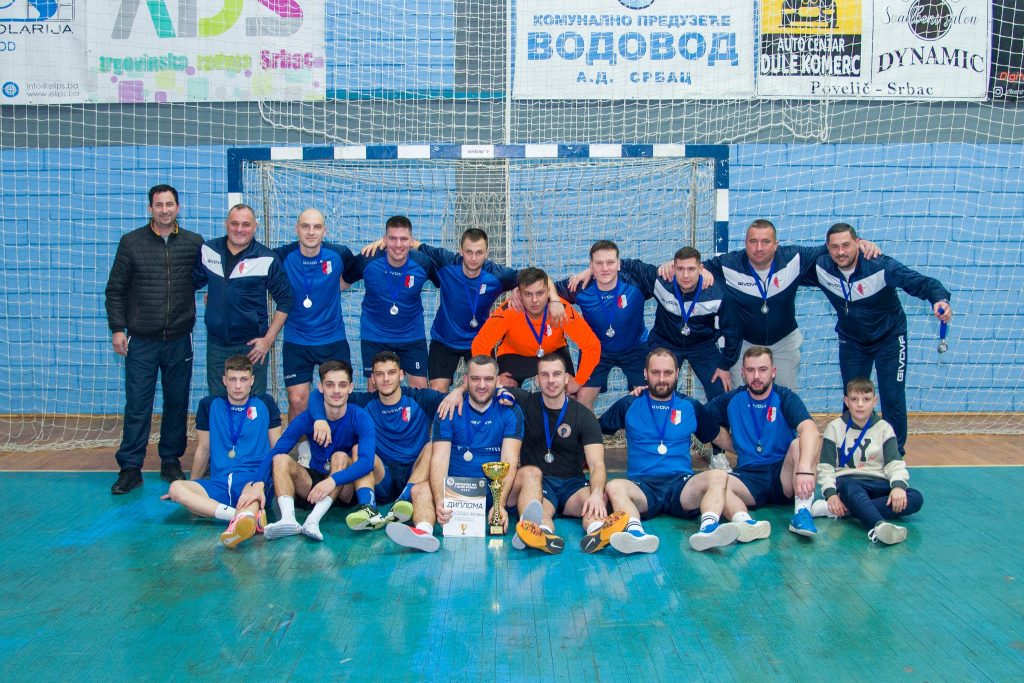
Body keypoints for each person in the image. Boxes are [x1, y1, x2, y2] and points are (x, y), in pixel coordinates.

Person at [595, 348, 770, 554]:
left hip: (681, 486)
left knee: (718, 476)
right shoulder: (628, 404)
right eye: (656, 372)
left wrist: (752, 455)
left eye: (668, 373)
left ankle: (709, 529)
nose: (662, 379)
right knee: (614, 486)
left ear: (677, 373)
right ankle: (635, 534)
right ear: (645, 373)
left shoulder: (690, 406)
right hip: (642, 487)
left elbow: (718, 436)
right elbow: (594, 431)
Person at [803, 222, 953, 455]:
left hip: (890, 339)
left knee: (892, 396)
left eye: (846, 245)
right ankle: (852, 452)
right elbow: (788, 263)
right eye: (835, 247)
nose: (841, 252)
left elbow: (921, 283)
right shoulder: (821, 267)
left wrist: (939, 300)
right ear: (827, 248)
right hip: (852, 342)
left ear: (858, 243)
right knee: (853, 397)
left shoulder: (880, 265)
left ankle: (894, 455)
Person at [697, 219, 878, 391]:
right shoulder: (728, 264)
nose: (759, 248)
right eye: (753, 241)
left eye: (765, 241)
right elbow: (694, 267)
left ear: (776, 245)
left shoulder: (794, 258)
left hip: (783, 344)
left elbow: (831, 247)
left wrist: (862, 243)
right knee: (743, 401)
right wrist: (694, 269)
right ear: (745, 243)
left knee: (784, 401)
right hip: (743, 345)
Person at [105, 184, 204, 494]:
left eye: (169, 204)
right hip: (142, 340)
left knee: (176, 402)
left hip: (179, 339)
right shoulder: (131, 242)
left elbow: (207, 277)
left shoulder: (194, 243)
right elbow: (115, 290)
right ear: (150, 208)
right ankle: (130, 468)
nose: (164, 210)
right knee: (138, 404)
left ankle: (170, 461)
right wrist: (118, 328)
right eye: (159, 205)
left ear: (178, 207)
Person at [386, 355, 523, 552]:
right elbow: (439, 459)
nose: (482, 385)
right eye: (475, 379)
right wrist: (440, 499)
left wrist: (499, 504)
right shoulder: (448, 408)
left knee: (531, 474)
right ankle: (424, 533)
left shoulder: (510, 410)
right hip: (456, 491)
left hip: (493, 491)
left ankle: (530, 528)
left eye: (488, 379)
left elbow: (509, 460)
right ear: (466, 380)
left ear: (497, 381)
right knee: (420, 490)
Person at [360, 228, 521, 391]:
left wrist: (518, 288)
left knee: (485, 387)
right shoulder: (446, 261)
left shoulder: (498, 275)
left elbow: (530, 279)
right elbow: (415, 245)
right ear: (460, 251)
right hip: (444, 340)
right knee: (436, 392)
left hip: (479, 340)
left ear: (487, 253)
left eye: (479, 253)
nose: (473, 258)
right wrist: (384, 243)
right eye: (468, 252)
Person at [305, 351, 443, 531]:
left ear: (401, 375)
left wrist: (459, 391)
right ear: (373, 379)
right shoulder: (364, 402)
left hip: (415, 473)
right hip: (382, 476)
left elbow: (461, 399)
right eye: (379, 374)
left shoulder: (421, 399)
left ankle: (404, 500)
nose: (386, 379)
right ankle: (369, 509)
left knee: (433, 446)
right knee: (358, 449)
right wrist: (319, 419)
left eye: (391, 373)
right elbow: (317, 395)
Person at [165, 355, 282, 548]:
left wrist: (263, 482)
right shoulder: (209, 405)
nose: (238, 386)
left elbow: (277, 451)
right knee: (176, 488)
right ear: (224, 380)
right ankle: (241, 518)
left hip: (253, 479)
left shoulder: (265, 404)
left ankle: (244, 515)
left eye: (243, 379)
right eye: (233, 379)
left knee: (250, 495)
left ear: (252, 380)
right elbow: (204, 449)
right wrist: (192, 486)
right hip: (220, 481)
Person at [704, 346, 822, 538]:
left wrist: (804, 470)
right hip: (749, 475)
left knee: (800, 444)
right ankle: (744, 522)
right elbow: (701, 418)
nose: (756, 376)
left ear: (773, 372)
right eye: (751, 370)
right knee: (717, 483)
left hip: (784, 475)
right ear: (743, 373)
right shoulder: (733, 400)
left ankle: (802, 513)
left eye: (763, 370)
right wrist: (733, 445)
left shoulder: (785, 397)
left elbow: (811, 430)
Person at [254, 360, 377, 542]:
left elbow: (366, 463)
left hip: (344, 486)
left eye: (342, 385)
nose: (336, 390)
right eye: (330, 385)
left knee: (340, 456)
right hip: (314, 485)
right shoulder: (308, 418)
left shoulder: (360, 417)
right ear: (321, 387)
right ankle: (288, 520)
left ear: (350, 388)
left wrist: (333, 481)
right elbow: (277, 450)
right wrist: (258, 482)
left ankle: (313, 521)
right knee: (280, 458)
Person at [500, 353, 610, 555]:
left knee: (596, 502)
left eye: (557, 374)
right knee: (539, 511)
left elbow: (597, 465)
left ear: (567, 378)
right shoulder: (524, 403)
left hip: (573, 485)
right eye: (545, 375)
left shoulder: (584, 415)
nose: (551, 380)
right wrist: (458, 393)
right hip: (540, 484)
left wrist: (596, 493)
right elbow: (484, 386)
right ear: (537, 379)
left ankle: (597, 532)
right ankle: (542, 534)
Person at [193, 203, 293, 396]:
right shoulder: (209, 250)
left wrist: (268, 340)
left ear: (255, 227)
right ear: (226, 224)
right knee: (218, 402)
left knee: (253, 404)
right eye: (234, 223)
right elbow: (193, 282)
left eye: (246, 224)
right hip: (217, 345)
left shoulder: (267, 258)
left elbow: (286, 300)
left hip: (252, 347)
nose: (239, 229)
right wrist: (217, 296)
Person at [814, 377, 924, 545]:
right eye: (854, 399)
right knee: (849, 486)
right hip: (849, 484)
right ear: (846, 401)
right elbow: (826, 468)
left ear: (875, 401)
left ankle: (846, 510)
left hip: (878, 483)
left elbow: (894, 463)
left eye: (866, 399)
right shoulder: (834, 427)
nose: (860, 404)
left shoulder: (884, 428)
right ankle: (878, 525)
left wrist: (898, 487)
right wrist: (831, 494)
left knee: (915, 497)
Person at [274, 208, 355, 421]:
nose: (311, 232)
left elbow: (357, 271)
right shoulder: (282, 256)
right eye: (305, 226)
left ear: (324, 231)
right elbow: (252, 265)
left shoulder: (339, 254)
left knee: (338, 398)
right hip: (297, 340)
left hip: (332, 339)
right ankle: (300, 442)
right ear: (296, 229)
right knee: (297, 400)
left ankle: (337, 440)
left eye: (317, 227)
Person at [555, 240, 655, 409]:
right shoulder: (581, 286)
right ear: (591, 266)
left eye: (610, 262)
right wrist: (550, 299)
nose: (605, 268)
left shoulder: (636, 283)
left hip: (636, 349)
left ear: (619, 264)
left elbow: (668, 276)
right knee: (582, 400)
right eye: (599, 263)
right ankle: (587, 428)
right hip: (597, 351)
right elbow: (544, 287)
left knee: (648, 397)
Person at [472, 267, 601, 394]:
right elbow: (480, 345)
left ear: (548, 292)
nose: (534, 300)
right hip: (514, 355)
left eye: (540, 293)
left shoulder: (560, 310)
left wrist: (579, 381)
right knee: (503, 395)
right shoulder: (509, 310)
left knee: (568, 398)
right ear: (519, 294)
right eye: (528, 294)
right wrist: (493, 378)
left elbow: (591, 345)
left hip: (554, 353)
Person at [343, 215, 438, 388]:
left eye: (404, 239)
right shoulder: (367, 259)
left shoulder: (423, 263)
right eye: (392, 238)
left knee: (420, 388)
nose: (398, 244)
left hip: (411, 334)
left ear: (412, 241)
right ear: (384, 240)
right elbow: (341, 283)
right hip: (375, 334)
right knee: (375, 387)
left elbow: (446, 282)